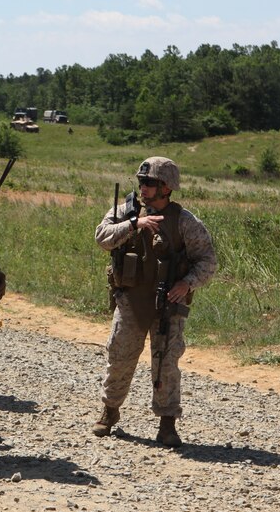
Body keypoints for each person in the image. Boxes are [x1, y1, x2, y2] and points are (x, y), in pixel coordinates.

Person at [91, 157, 217, 447]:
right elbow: (102, 237)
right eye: (141, 182)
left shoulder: (184, 222)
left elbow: (208, 261)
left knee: (166, 363)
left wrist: (187, 283)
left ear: (167, 188)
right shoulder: (127, 211)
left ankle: (167, 423)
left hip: (168, 305)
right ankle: (109, 412)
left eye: (150, 183)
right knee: (120, 358)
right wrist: (134, 224)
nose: (143, 188)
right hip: (132, 301)